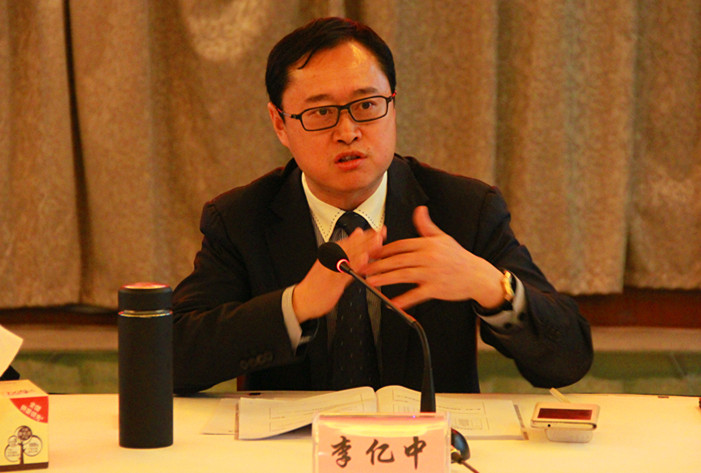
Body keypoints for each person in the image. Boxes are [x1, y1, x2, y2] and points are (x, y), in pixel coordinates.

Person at [172, 17, 593, 394]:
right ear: (280, 123)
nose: (348, 131)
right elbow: (169, 358)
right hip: (294, 446)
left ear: (393, 105)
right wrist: (296, 305)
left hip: (428, 445)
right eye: (321, 112)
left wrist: (489, 285)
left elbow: (569, 360)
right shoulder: (241, 218)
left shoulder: (463, 209)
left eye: (366, 106)